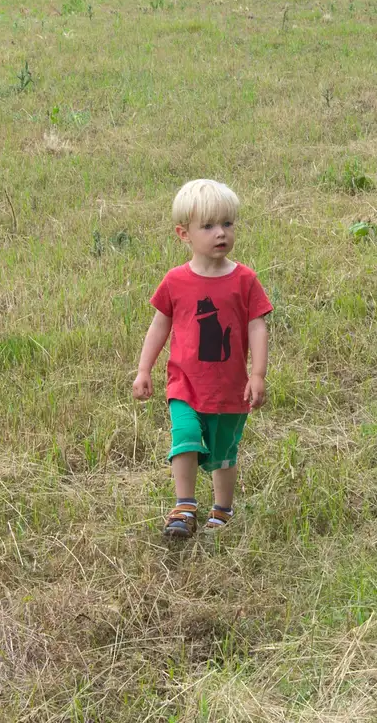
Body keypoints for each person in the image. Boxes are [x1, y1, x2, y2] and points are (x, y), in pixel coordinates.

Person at [132, 179, 272, 538]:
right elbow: (159, 325)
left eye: (227, 223)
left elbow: (257, 326)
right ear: (184, 234)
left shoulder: (245, 280)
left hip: (229, 388)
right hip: (185, 384)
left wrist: (257, 374)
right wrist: (144, 369)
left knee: (224, 453)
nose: (220, 233)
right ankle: (184, 507)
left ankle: (222, 510)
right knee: (186, 437)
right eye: (208, 226)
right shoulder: (176, 281)